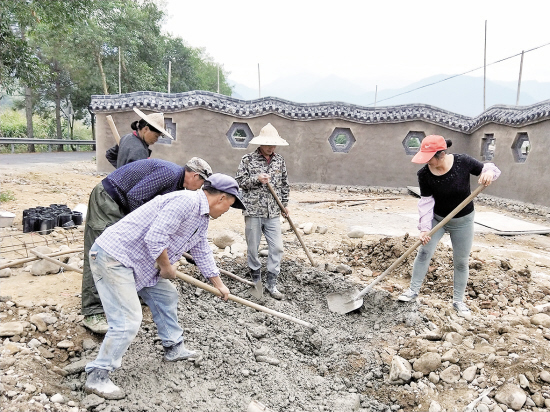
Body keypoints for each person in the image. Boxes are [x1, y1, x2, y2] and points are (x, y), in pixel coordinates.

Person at [83, 174, 245, 400]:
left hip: (139, 262)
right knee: (128, 319)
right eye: (230, 205)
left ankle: (174, 347)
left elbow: (201, 250)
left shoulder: (201, 217)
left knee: (167, 295)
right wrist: (167, 267)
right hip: (115, 258)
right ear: (221, 198)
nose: (228, 210)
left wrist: (219, 284)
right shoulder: (185, 202)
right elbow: (155, 238)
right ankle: (98, 376)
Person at [82, 157, 213, 334]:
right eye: (202, 184)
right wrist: (143, 229)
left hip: (124, 203)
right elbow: (135, 197)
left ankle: (134, 291)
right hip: (109, 200)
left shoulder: (178, 186)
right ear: (196, 176)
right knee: (102, 252)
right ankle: (93, 312)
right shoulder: (170, 174)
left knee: (137, 249)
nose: (200, 189)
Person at [398, 135, 501, 319]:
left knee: (461, 262)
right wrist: (424, 228)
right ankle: (412, 291)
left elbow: (489, 168)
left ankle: (458, 301)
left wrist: (488, 173)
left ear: (442, 154)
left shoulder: (463, 162)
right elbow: (426, 203)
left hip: (463, 221)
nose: (426, 162)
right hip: (437, 220)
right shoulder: (424, 174)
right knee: (423, 252)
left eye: (429, 157)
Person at [235, 123, 290, 300]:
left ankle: (271, 284)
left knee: (277, 248)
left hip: (273, 211)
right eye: (268, 145)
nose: (271, 148)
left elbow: (284, 184)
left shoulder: (279, 161)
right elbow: (240, 182)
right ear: (260, 144)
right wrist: (257, 179)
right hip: (253, 210)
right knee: (253, 248)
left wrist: (285, 204)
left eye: (274, 145)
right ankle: (256, 280)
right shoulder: (248, 160)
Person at [105, 107, 173, 168]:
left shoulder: (126, 137)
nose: (156, 139)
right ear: (146, 129)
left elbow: (110, 154)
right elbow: (139, 178)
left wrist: (120, 171)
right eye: (156, 136)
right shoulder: (140, 150)